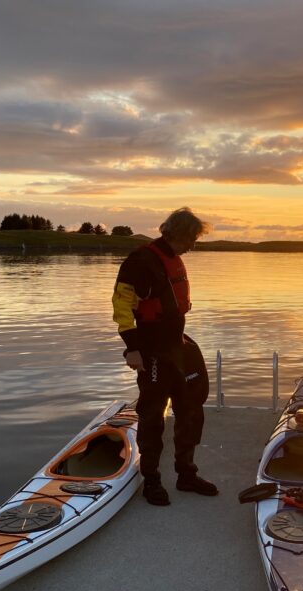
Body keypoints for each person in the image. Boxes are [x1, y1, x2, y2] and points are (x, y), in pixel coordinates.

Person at [112, 207, 218, 505]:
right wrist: (132, 348)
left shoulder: (175, 260)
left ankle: (186, 474)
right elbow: (122, 306)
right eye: (191, 238)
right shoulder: (141, 261)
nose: (193, 245)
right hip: (151, 350)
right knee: (152, 415)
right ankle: (152, 481)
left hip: (177, 346)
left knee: (191, 408)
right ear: (177, 233)